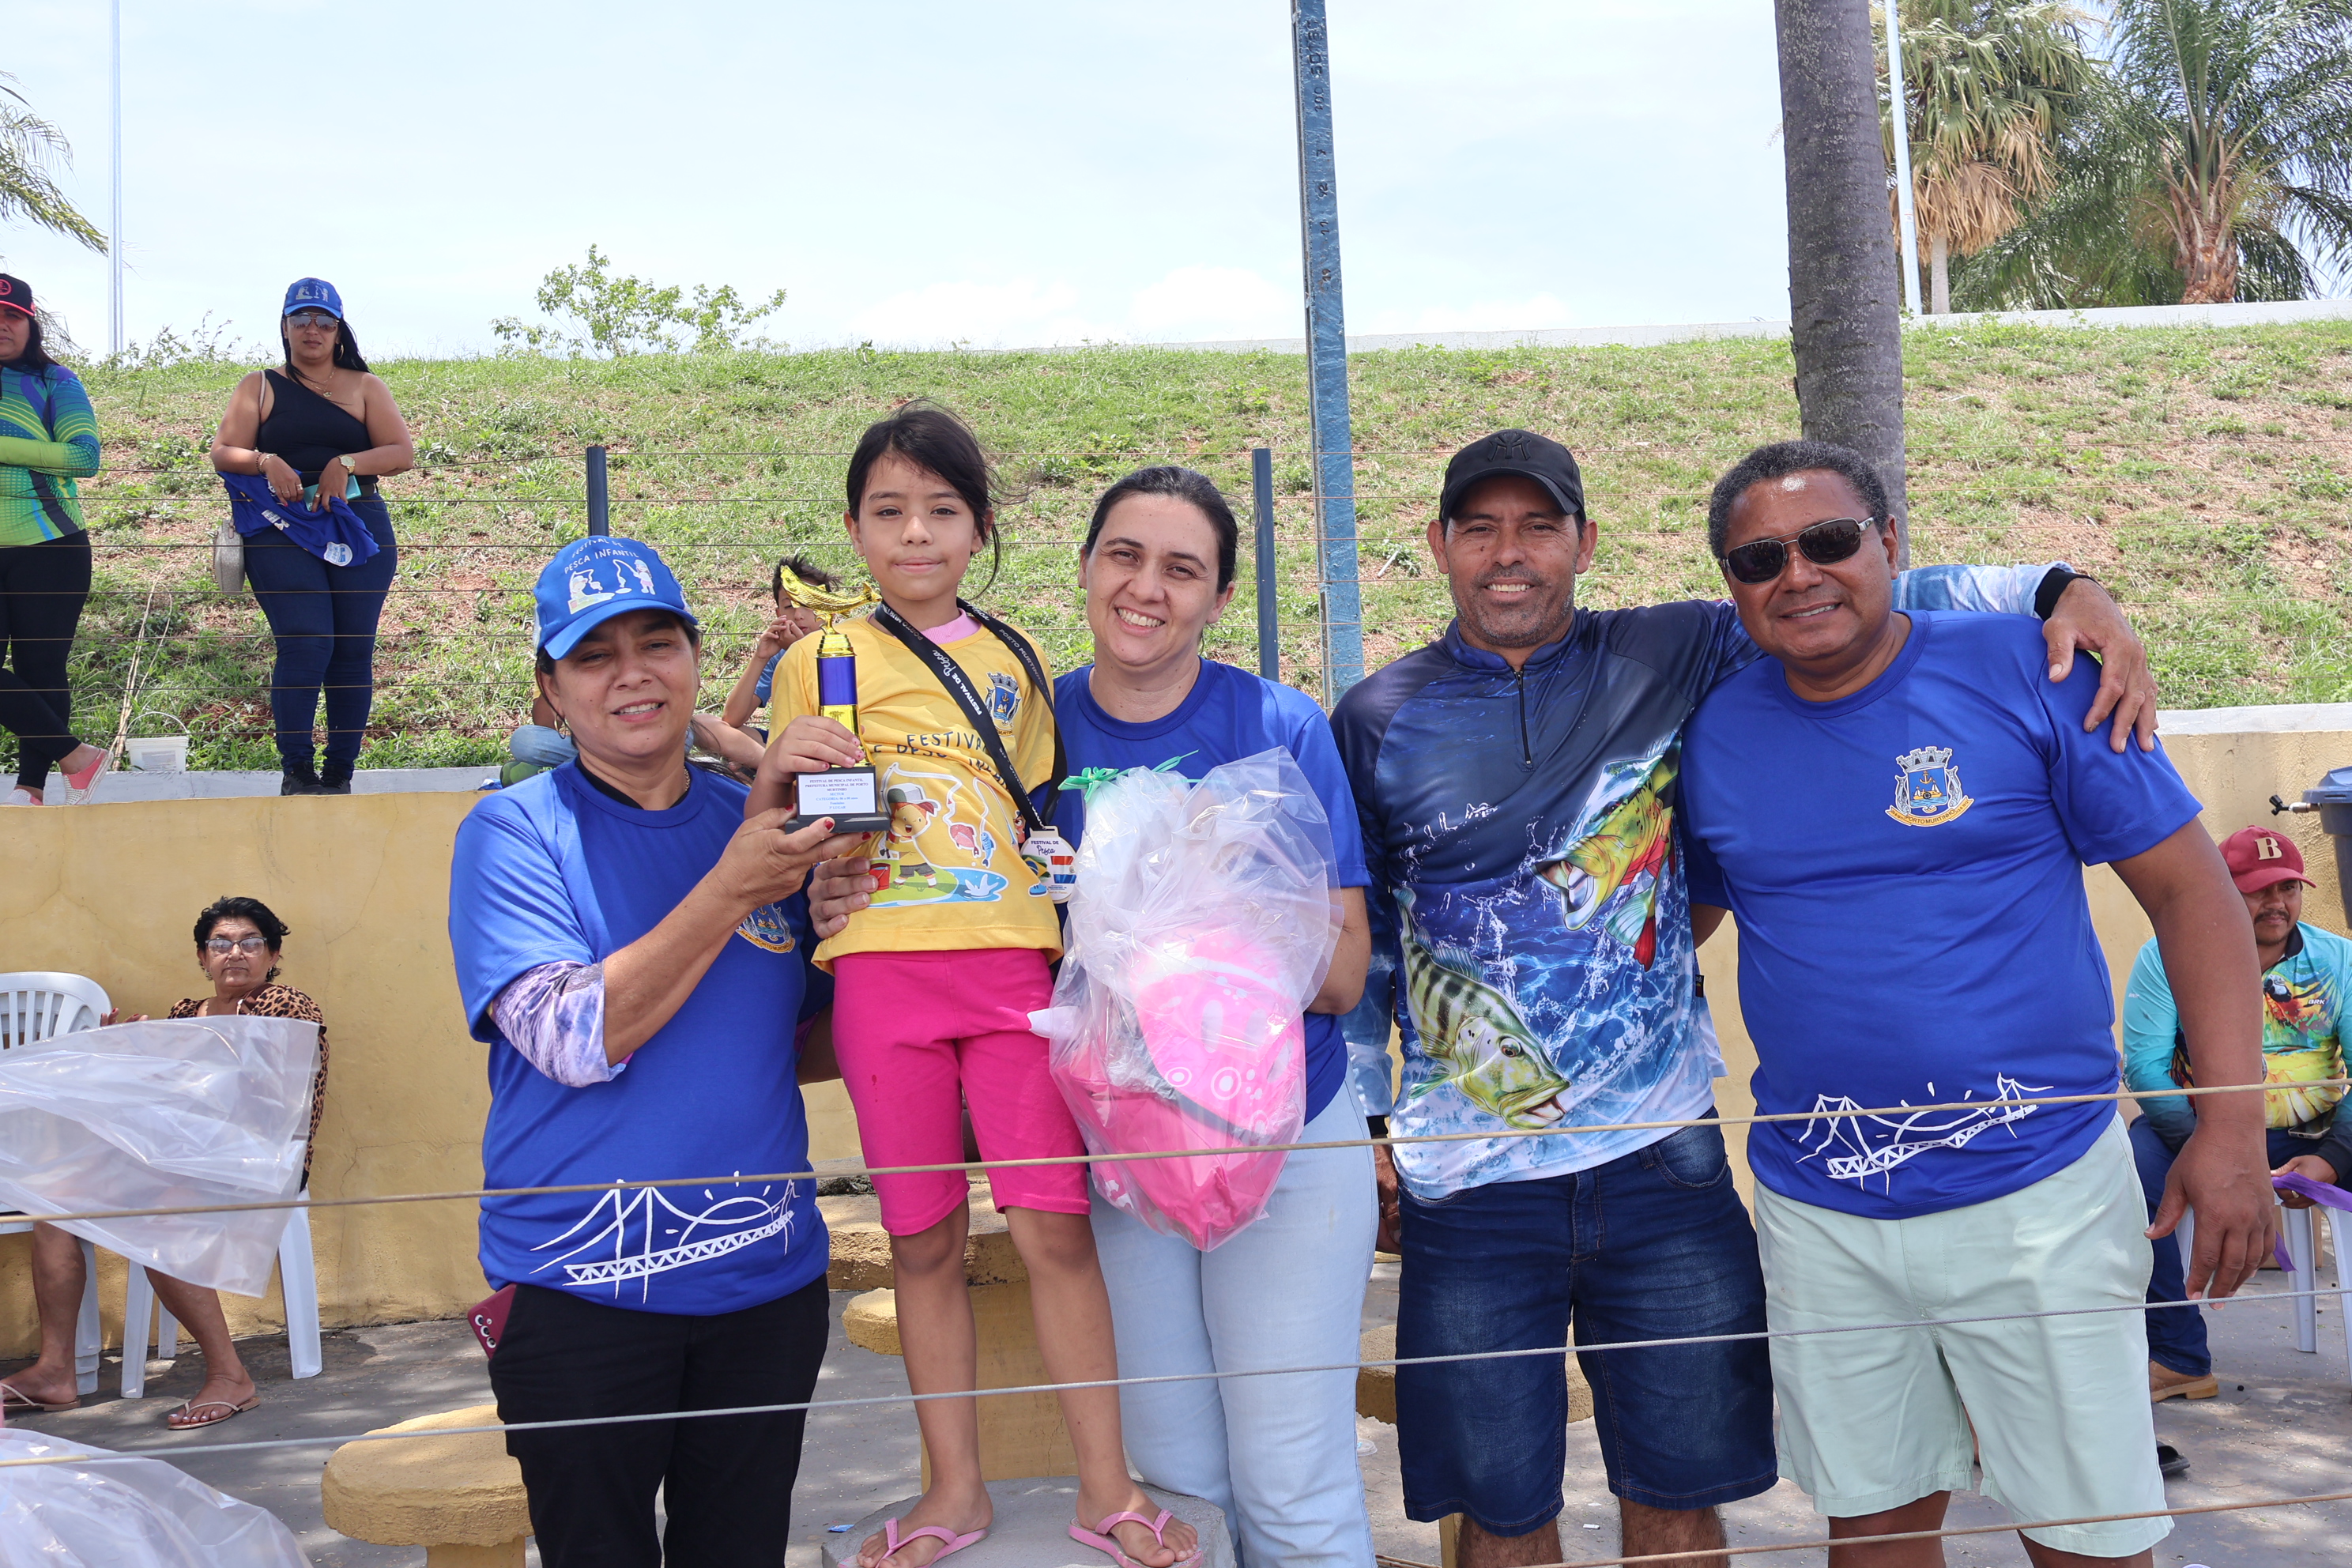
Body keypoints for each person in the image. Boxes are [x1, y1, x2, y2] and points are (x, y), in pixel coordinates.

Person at [1329, 427, 2158, 1568]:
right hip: (1470, 1182)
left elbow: (1853, 588)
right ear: (1439, 546)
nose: (1507, 554)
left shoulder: (1674, 650)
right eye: (1480, 528)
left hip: (1662, 1163)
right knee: (1498, 1509)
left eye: (1537, 526)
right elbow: (1371, 939)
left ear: (1585, 542)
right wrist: (1372, 1121)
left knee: (1679, 1492)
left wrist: (2068, 588)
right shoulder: (1375, 716)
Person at [1677, 438, 2278, 1568]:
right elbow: (1685, 923)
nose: (1798, 572)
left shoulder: (2029, 672)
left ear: (1891, 545)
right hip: (1824, 1210)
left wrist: (2234, 1127)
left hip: (2038, 1197)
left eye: (1830, 540)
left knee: (2088, 1537)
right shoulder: (1715, 735)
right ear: (1732, 585)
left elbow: (2194, 894)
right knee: (1873, 1525)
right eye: (1760, 557)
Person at [812, 465, 1378, 1567]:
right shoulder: (1020, 719)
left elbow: (1343, 970)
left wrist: (1145, 927)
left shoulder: (1279, 726)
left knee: (1291, 1486)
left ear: (1218, 597)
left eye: (1183, 569)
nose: (1146, 589)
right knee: (1171, 1485)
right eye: (1124, 556)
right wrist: (839, 887)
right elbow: (949, 898)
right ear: (1082, 570)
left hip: (1283, 1139)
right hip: (1116, 1153)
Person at [752, 406, 1198, 1568]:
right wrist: (812, 873)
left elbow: (1041, 813)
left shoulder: (1012, 660)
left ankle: (1108, 1490)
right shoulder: (816, 661)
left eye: (942, 512)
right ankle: (954, 1490)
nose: (915, 535)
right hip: (881, 980)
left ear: (980, 527)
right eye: (889, 513)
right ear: (853, 529)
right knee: (921, 1242)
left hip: (1011, 970)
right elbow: (783, 816)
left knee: (1054, 1230)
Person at [447, 534, 856, 1568]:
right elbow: (574, 1037)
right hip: (583, 1297)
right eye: (594, 656)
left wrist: (872, 930)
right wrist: (730, 888)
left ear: (691, 657)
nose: (633, 672)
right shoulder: (511, 834)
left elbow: (796, 1043)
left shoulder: (757, 821)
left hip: (765, 1289)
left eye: (657, 641)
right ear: (551, 690)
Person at [2, 895, 326, 1430]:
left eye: (250, 942)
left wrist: (164, 1071)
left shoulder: (284, 1007)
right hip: (180, 1155)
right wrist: (117, 1057)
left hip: (253, 1159)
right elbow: (165, 1100)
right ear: (203, 957)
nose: (235, 953)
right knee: (55, 1204)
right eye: (221, 943)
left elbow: (263, 1101)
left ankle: (230, 1376)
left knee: (156, 1216)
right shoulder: (185, 1015)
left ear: (272, 954)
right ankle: (55, 1372)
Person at [2126, 824, 2352, 1402]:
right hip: (2199, 1131)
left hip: (2312, 1134)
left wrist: (2331, 1158)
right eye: (2257, 890)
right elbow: (2147, 1068)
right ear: (2221, 891)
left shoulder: (2340, 960)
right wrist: (2214, 1147)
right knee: (2130, 1176)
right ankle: (2179, 1357)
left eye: (2288, 888)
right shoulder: (2164, 955)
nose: (2277, 904)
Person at [209, 278, 413, 796]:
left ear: (339, 329)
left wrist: (344, 463)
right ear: (285, 327)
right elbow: (222, 452)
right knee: (306, 642)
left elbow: (400, 452)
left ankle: (340, 773)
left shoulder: (367, 387)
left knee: (351, 650)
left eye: (324, 320)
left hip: (356, 524)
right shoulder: (258, 386)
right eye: (301, 319)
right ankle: (297, 771)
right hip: (281, 527)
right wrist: (265, 460)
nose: (313, 329)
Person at [0, 273, 109, 806]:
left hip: (50, 544)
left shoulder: (54, 381)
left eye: (11, 316)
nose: (1, 325)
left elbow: (84, 457)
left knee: (41, 667)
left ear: (30, 323)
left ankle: (32, 789)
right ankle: (75, 755)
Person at [691, 553, 836, 772]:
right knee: (703, 726)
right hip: (783, 745)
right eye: (789, 606)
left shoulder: (844, 647)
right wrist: (761, 657)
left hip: (834, 745)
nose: (798, 615)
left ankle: (767, 773)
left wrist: (800, 652)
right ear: (778, 612)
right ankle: (776, 769)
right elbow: (732, 719)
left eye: (808, 604)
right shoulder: (778, 654)